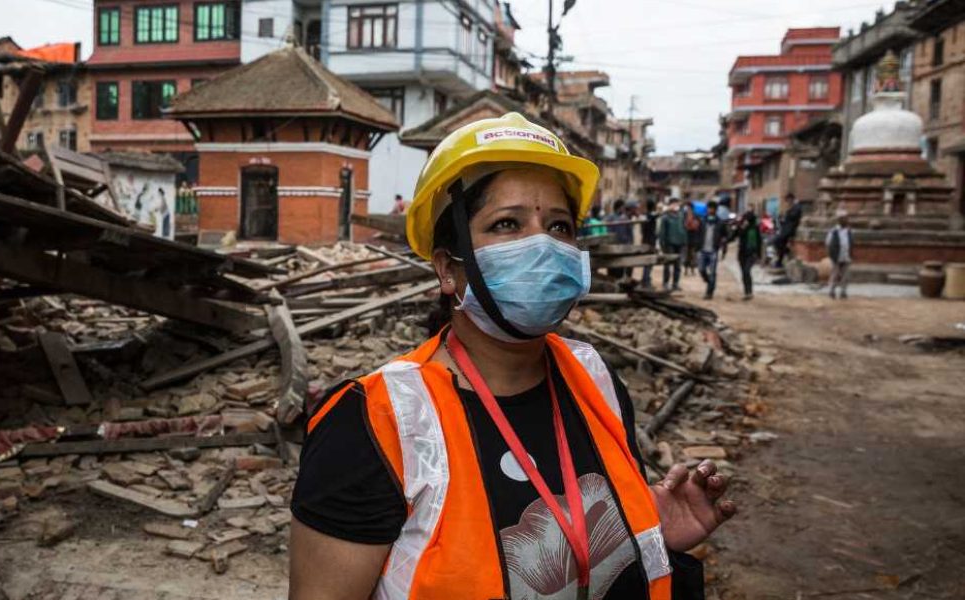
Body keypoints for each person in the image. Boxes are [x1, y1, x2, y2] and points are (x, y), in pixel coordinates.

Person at [289, 113, 734, 600]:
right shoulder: (375, 423)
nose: (541, 244)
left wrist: (645, 532)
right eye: (507, 224)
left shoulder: (596, 379)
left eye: (559, 226)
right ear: (447, 269)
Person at [697, 200, 727, 300]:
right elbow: (698, 233)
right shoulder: (702, 221)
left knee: (713, 272)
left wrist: (723, 249)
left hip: (713, 250)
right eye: (709, 208)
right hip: (703, 249)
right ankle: (710, 282)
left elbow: (725, 236)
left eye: (712, 208)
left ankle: (709, 292)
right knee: (701, 269)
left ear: (715, 210)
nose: (710, 210)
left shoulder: (720, 223)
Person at [658, 199, 687, 291]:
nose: (676, 206)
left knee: (677, 265)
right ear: (670, 205)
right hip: (669, 244)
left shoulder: (681, 216)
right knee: (667, 264)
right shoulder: (665, 217)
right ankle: (665, 283)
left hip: (679, 243)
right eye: (673, 204)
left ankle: (675, 283)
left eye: (677, 204)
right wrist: (662, 245)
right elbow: (662, 232)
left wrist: (684, 242)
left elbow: (684, 229)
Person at [825, 209, 853, 300]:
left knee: (845, 275)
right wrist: (832, 254)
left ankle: (843, 291)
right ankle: (832, 291)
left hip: (846, 255)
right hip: (836, 256)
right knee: (835, 274)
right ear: (839, 220)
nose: (846, 220)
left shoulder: (849, 231)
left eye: (846, 218)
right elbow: (828, 243)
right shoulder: (833, 231)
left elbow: (851, 242)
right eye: (844, 219)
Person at [734, 210, 762, 300]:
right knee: (744, 273)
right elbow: (737, 235)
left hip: (751, 254)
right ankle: (747, 292)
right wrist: (741, 227)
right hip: (742, 253)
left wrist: (759, 255)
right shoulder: (742, 228)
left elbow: (759, 242)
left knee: (747, 271)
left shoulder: (755, 228)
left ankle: (749, 292)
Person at [773, 193, 802, 268]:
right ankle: (779, 262)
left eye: (788, 200)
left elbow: (794, 216)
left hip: (790, 230)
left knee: (776, 241)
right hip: (786, 229)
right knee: (780, 244)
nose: (788, 203)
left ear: (791, 199)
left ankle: (786, 251)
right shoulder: (792, 207)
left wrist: (787, 214)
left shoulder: (797, 206)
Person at [640, 199, 659, 289]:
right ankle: (646, 281)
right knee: (649, 262)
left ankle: (646, 279)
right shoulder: (651, 216)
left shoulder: (644, 216)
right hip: (650, 241)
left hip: (645, 240)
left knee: (646, 262)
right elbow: (657, 215)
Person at [683, 201, 702, 276]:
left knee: (693, 254)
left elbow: (698, 227)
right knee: (687, 254)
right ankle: (686, 269)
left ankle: (692, 269)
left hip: (693, 237)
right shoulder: (684, 216)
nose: (687, 209)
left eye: (688, 207)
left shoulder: (696, 216)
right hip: (686, 237)